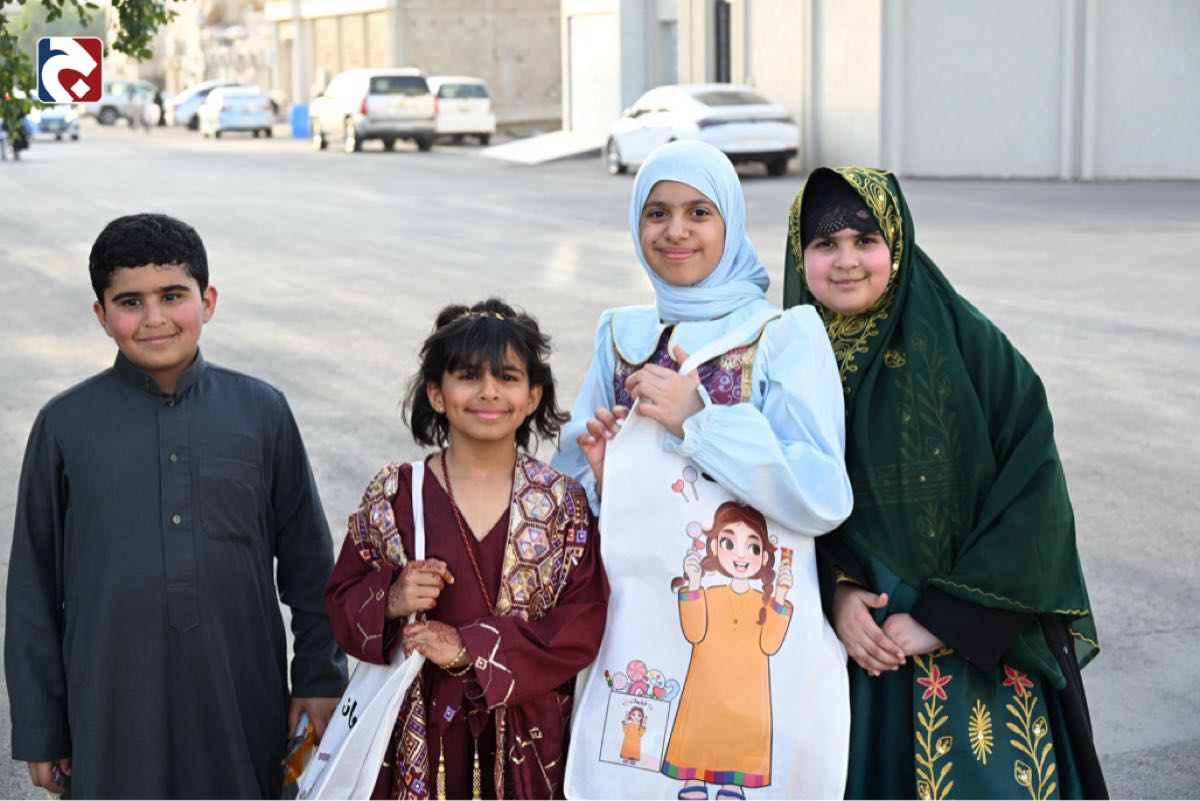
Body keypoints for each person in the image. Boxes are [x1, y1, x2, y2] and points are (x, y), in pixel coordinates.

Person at [782, 167, 1107, 799]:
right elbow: (772, 503)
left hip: (973, 645)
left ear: (898, 243)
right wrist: (836, 594)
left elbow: (1034, 489)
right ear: (800, 255)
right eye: (825, 243)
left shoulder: (969, 344)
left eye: (865, 239)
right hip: (858, 646)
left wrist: (949, 618)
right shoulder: (783, 362)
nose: (846, 261)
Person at [5, 213, 348, 798]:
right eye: (130, 302)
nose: (154, 318)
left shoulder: (262, 412)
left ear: (207, 301)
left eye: (172, 296)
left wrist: (319, 675)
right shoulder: (65, 425)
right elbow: (32, 589)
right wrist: (42, 728)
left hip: (239, 698)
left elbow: (310, 563)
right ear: (101, 315)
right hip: (108, 709)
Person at [553, 140, 853, 800]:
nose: (676, 231)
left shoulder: (782, 335)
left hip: (750, 641)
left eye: (699, 212)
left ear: (732, 222)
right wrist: (603, 478)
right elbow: (565, 497)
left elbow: (820, 495)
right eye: (656, 213)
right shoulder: (621, 336)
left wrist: (700, 421)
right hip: (635, 627)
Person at [324, 298, 609, 800]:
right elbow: (341, 595)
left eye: (507, 377)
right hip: (413, 732)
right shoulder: (396, 494)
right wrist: (392, 597)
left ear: (533, 395)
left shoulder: (562, 504)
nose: (489, 391)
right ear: (436, 393)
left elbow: (582, 622)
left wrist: (469, 650)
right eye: (468, 376)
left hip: (526, 740)